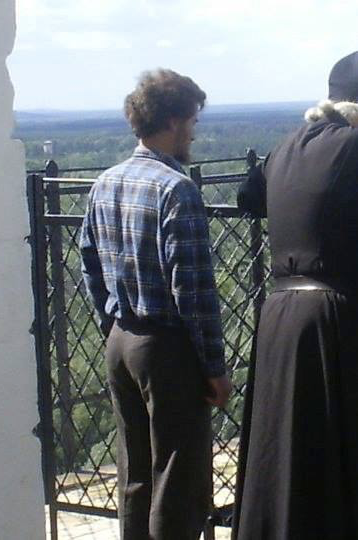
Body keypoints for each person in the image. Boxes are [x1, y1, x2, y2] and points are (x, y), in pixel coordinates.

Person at [232, 51, 358, 540]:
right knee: (354, 450)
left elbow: (247, 199)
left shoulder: (284, 147)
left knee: (286, 448)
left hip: (280, 316)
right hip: (335, 318)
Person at [79, 68, 232, 540]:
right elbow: (193, 290)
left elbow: (89, 263)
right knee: (177, 480)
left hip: (121, 340)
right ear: (172, 121)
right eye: (192, 121)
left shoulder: (106, 182)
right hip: (167, 348)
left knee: (136, 476)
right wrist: (213, 366)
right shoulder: (176, 189)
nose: (194, 132)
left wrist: (112, 324)